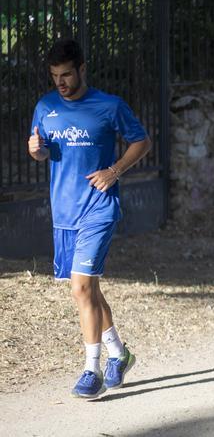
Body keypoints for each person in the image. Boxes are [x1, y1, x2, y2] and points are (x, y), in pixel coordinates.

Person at [28, 39, 151, 398]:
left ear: (82, 69)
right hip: (63, 213)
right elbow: (41, 149)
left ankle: (90, 370)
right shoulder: (45, 106)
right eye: (54, 76)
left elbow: (141, 142)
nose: (60, 83)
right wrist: (36, 152)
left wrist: (114, 170)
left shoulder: (109, 105)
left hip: (99, 209)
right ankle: (119, 353)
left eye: (66, 74)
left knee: (81, 288)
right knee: (90, 290)